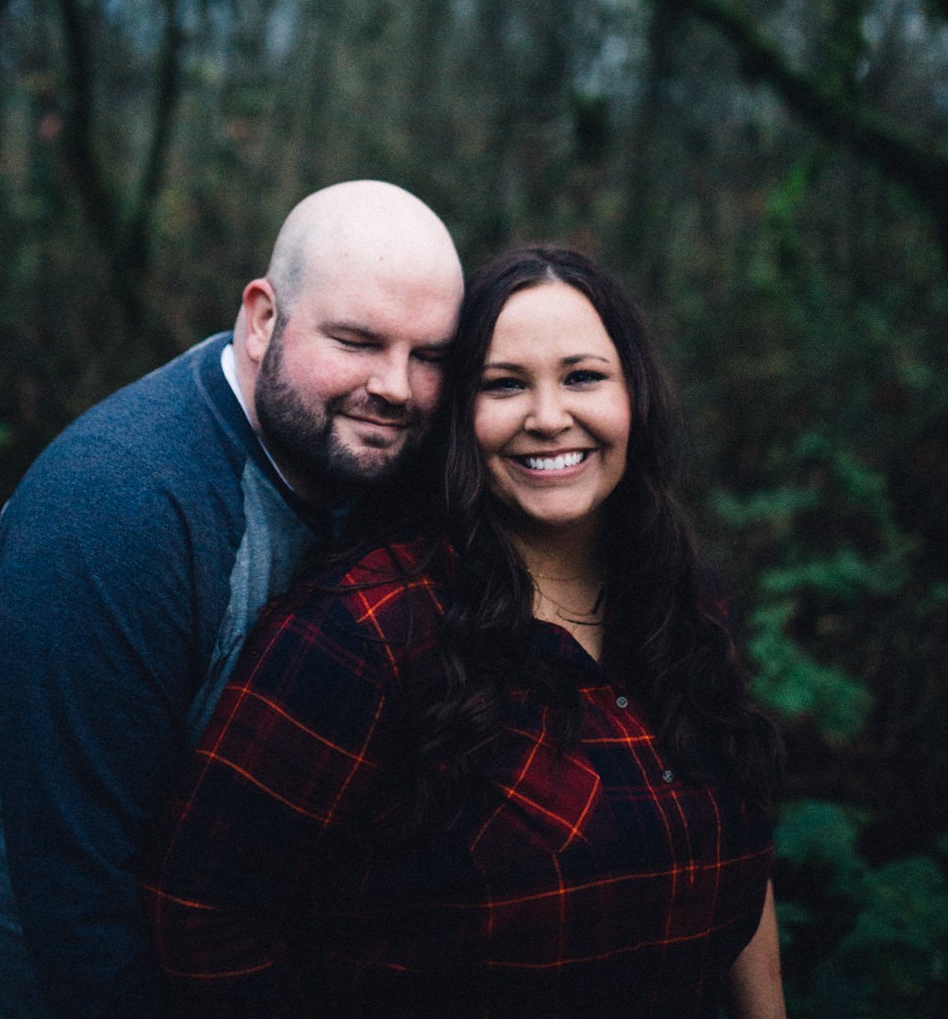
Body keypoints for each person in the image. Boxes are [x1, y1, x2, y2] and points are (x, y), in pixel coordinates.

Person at [145, 246, 786, 1018]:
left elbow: (741, 845)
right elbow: (203, 916)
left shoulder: (680, 604)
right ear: (457, 418)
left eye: (583, 376)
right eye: (505, 385)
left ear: (635, 397)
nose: (549, 418)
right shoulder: (367, 629)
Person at [0, 180, 464, 1019]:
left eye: (429, 355)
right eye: (357, 341)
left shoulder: (370, 460)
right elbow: (80, 903)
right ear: (260, 319)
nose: (396, 386)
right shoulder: (117, 514)